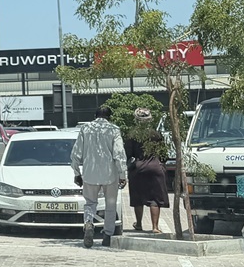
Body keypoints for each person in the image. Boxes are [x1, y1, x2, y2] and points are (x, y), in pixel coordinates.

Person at [71, 105, 127, 248]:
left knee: (90, 203)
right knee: (110, 205)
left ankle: (89, 223)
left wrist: (77, 173)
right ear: (109, 117)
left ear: (95, 116)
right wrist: (122, 174)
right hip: (110, 174)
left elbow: (76, 152)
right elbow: (119, 154)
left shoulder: (85, 129)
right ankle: (107, 235)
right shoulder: (114, 129)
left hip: (90, 173)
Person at [125, 107, 170, 233]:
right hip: (155, 168)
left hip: (138, 169)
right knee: (154, 199)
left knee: (138, 199)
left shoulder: (132, 135)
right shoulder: (156, 134)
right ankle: (155, 227)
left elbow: (128, 154)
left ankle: (139, 224)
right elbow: (164, 155)